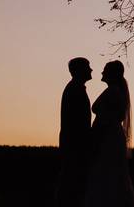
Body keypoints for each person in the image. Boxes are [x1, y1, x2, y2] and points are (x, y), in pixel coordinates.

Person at [85, 60, 134, 207]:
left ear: (111, 74)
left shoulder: (113, 91)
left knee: (107, 174)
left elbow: (114, 115)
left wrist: (100, 132)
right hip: (110, 136)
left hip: (109, 138)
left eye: (105, 70)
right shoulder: (116, 90)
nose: (102, 72)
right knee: (110, 174)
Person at [56, 57, 93, 207]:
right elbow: (76, 121)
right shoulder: (74, 89)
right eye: (88, 67)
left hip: (75, 143)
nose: (91, 70)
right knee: (72, 181)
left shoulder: (75, 88)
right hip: (75, 144)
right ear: (78, 70)